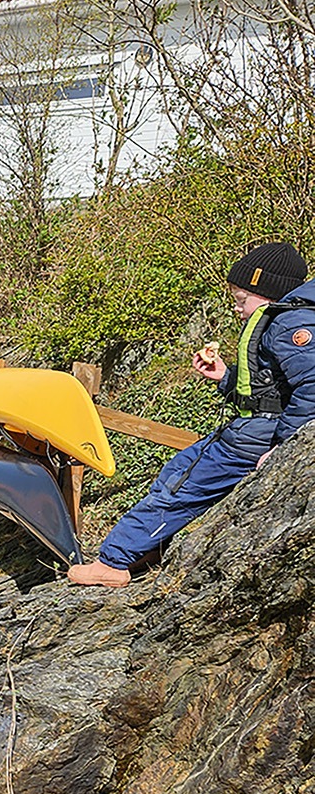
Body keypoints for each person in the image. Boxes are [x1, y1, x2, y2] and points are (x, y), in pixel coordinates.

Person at [68, 240, 313, 587]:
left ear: (267, 292)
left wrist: (284, 448)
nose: (237, 309)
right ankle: (144, 549)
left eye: (241, 300)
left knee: (181, 486)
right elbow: (271, 391)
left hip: (254, 440)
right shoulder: (285, 321)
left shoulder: (291, 326)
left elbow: (312, 388)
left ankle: (114, 563)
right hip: (253, 431)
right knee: (178, 472)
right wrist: (225, 376)